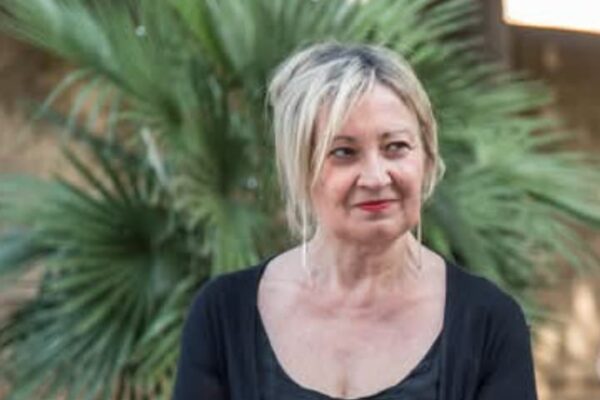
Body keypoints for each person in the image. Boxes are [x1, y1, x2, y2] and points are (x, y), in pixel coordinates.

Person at [172, 42, 538, 400]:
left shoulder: (490, 324)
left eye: (396, 147)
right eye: (344, 152)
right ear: (301, 169)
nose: (376, 177)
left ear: (427, 158)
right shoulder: (223, 316)